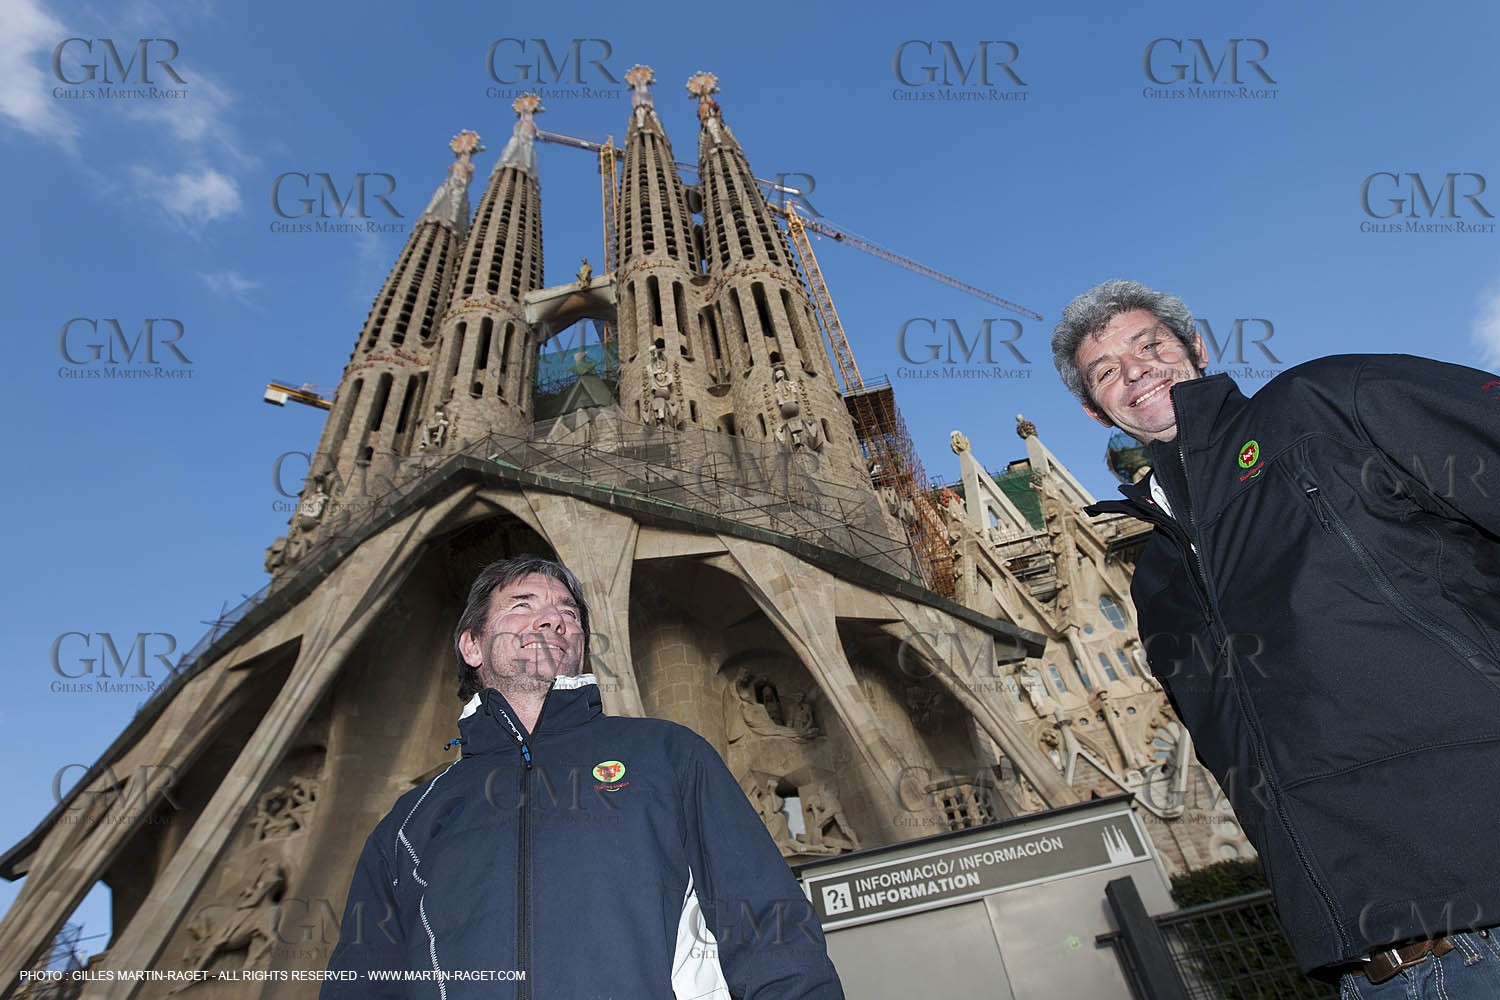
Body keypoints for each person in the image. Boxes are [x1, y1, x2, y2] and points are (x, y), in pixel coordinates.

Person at [1052, 279, 1500, 997]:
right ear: (1092, 407)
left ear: (1196, 348)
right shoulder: (1159, 580)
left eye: (1150, 344)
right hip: (1373, 967)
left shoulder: (1323, 405)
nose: (1134, 370)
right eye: (1106, 371)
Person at [322, 555, 844, 998]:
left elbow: (770, 929)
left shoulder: (667, 756)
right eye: (523, 605)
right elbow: (363, 979)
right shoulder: (409, 823)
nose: (553, 620)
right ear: (472, 646)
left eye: (567, 612)